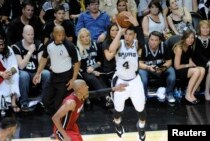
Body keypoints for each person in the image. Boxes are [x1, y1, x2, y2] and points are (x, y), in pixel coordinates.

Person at [105, 12, 146, 140]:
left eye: (130, 34)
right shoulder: (119, 44)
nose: (128, 36)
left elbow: (142, 39)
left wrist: (136, 23)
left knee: (141, 110)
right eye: (126, 34)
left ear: (134, 36)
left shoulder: (137, 45)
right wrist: (120, 32)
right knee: (118, 111)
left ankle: (141, 127)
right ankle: (117, 124)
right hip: (120, 82)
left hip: (134, 81)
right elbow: (111, 50)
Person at [52, 79, 126, 141]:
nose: (88, 87)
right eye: (85, 86)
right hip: (63, 130)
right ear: (79, 89)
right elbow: (55, 118)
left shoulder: (82, 95)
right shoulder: (71, 102)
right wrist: (65, 136)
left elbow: (97, 93)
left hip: (72, 126)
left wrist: (114, 89)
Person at [33, 25, 80, 115]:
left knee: (57, 104)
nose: (61, 37)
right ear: (53, 35)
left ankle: (58, 120)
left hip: (65, 77)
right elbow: (44, 58)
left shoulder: (69, 46)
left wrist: (73, 79)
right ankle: (54, 117)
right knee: (45, 100)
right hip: (53, 75)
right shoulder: (49, 43)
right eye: (59, 35)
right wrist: (38, 73)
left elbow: (77, 63)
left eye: (63, 34)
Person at [12, 25, 50, 111]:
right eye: (28, 34)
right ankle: (24, 103)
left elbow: (41, 62)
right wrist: (30, 52)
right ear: (23, 35)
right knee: (23, 75)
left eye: (32, 34)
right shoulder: (17, 47)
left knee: (47, 73)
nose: (31, 36)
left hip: (36, 71)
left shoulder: (38, 44)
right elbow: (21, 66)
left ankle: (44, 101)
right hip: (24, 72)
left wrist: (39, 73)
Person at [139, 31, 176, 103]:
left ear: (159, 41)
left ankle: (169, 93)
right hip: (148, 69)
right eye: (151, 40)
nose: (153, 42)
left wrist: (162, 68)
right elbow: (139, 63)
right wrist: (148, 67)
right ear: (148, 39)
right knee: (142, 73)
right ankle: (144, 95)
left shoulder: (163, 46)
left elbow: (169, 61)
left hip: (161, 68)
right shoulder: (144, 47)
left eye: (156, 40)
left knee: (171, 72)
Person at [173, 29, 205, 104]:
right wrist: (189, 65)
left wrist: (194, 65)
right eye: (188, 37)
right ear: (184, 38)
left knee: (202, 69)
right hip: (178, 70)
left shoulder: (189, 47)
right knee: (197, 71)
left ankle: (192, 93)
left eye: (192, 38)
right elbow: (176, 66)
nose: (191, 40)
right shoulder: (179, 48)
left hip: (185, 68)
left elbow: (190, 60)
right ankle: (187, 94)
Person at [192, 20, 210, 100]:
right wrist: (208, 62)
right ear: (199, 29)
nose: (205, 30)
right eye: (203, 28)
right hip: (198, 61)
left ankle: (207, 91)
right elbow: (198, 54)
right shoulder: (195, 39)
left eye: (207, 28)